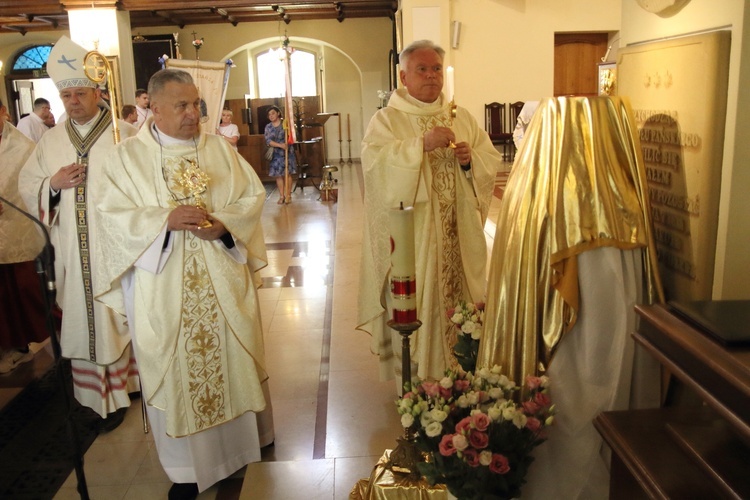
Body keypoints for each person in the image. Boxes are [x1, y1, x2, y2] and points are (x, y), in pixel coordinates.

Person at [93, 68, 274, 498]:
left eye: (197, 105)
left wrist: (225, 225)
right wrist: (164, 221)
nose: (194, 113)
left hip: (221, 280)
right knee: (175, 367)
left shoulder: (219, 150)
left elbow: (250, 197)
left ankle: (241, 450)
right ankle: (186, 470)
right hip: (163, 288)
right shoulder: (125, 159)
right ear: (153, 108)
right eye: (182, 106)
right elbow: (110, 218)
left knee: (230, 359)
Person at [476, 96, 664, 499]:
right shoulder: (619, 205)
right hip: (593, 345)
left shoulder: (532, 197)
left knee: (575, 418)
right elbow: (612, 311)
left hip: (566, 350)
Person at [357, 40, 501, 388]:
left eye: (436, 68)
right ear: (404, 76)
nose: (431, 76)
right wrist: (420, 146)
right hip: (416, 240)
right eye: (422, 69)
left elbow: (488, 159)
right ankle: (419, 381)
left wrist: (469, 160)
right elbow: (375, 167)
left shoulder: (460, 115)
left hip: (459, 236)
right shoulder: (387, 120)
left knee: (464, 303)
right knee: (419, 302)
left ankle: (463, 377)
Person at [18, 36, 140, 429]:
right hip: (72, 250)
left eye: (80, 93)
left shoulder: (126, 137)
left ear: (97, 92)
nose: (72, 102)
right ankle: (95, 397)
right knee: (86, 320)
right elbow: (28, 185)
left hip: (116, 250)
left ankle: (127, 388)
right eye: (65, 95)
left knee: (117, 316)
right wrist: (52, 184)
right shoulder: (51, 141)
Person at [0, 99, 50, 374]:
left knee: (22, 293)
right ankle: (8, 347)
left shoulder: (24, 148)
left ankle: (21, 345)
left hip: (15, 230)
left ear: (4, 112)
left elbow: (33, 186)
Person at [264, 105, 297, 204]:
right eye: (269, 114)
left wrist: (287, 143)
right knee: (278, 175)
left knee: (288, 173)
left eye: (273, 113)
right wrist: (280, 145)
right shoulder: (268, 127)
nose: (271, 116)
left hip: (287, 152)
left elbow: (291, 135)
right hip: (276, 154)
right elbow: (268, 140)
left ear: (278, 113)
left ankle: (288, 195)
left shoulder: (285, 124)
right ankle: (281, 196)